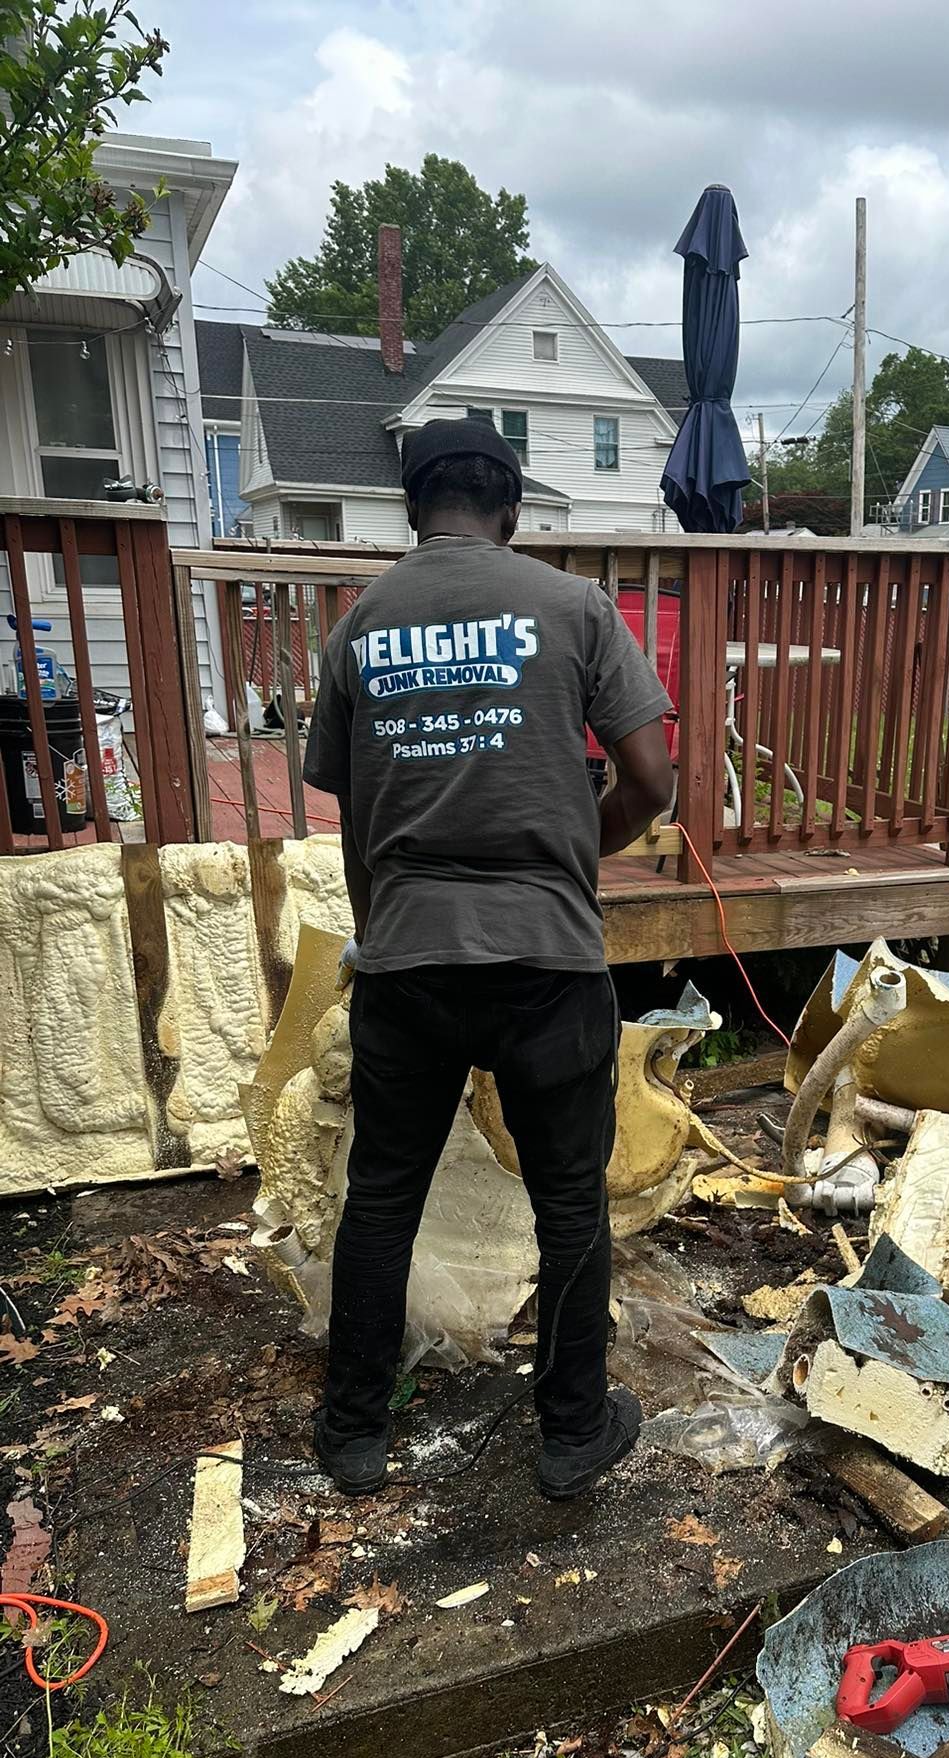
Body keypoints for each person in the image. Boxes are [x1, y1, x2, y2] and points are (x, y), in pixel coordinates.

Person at [302, 415, 674, 1501]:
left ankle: (354, 1432)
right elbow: (651, 780)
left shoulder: (361, 624)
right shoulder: (574, 609)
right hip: (547, 962)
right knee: (570, 1205)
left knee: (381, 1197)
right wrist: (575, 854)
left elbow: (357, 818)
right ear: (511, 507)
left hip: (407, 959)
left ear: (413, 510)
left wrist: (380, 942)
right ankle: (570, 1434)